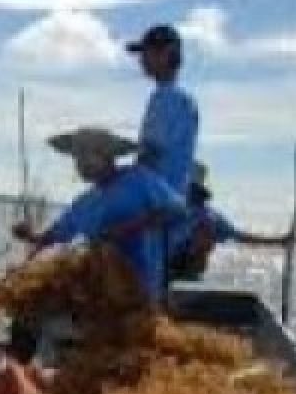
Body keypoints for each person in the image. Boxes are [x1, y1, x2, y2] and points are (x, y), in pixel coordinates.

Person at [12, 127, 189, 303]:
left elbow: (179, 210)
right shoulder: (84, 202)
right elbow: (54, 236)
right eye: (77, 157)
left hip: (141, 291)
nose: (81, 164)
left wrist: (129, 226)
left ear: (108, 156)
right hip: (99, 296)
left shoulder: (139, 179)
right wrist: (30, 236)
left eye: (87, 155)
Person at [167, 162, 293, 281]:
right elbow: (241, 237)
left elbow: (241, 237)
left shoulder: (209, 216)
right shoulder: (175, 210)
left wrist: (279, 241)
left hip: (186, 268)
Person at [127, 24, 199, 195]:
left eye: (147, 53)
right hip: (173, 195)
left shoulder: (164, 98)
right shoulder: (186, 102)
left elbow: (150, 154)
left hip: (154, 197)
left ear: (166, 55)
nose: (142, 59)